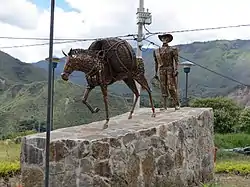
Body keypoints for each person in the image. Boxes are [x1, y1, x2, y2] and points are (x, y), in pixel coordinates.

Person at [153, 33, 180, 110]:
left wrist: (176, 70)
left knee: (171, 87)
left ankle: (176, 103)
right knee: (163, 87)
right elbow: (156, 63)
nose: (164, 39)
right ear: (161, 39)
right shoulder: (156, 51)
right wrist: (155, 73)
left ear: (169, 39)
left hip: (170, 69)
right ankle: (164, 106)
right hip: (161, 70)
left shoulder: (173, 49)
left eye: (166, 37)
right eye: (163, 38)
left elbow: (176, 61)